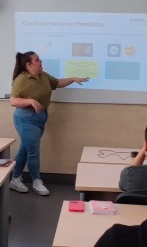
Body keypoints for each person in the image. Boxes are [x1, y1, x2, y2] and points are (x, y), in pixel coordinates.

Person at [8, 51, 89, 196]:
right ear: (29, 65)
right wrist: (30, 101)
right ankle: (37, 181)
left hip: (40, 118)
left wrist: (73, 79)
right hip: (25, 119)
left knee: (24, 150)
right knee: (33, 152)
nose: (41, 62)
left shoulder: (43, 76)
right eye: (37, 60)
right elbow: (13, 101)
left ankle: (15, 179)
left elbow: (58, 83)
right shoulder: (21, 79)